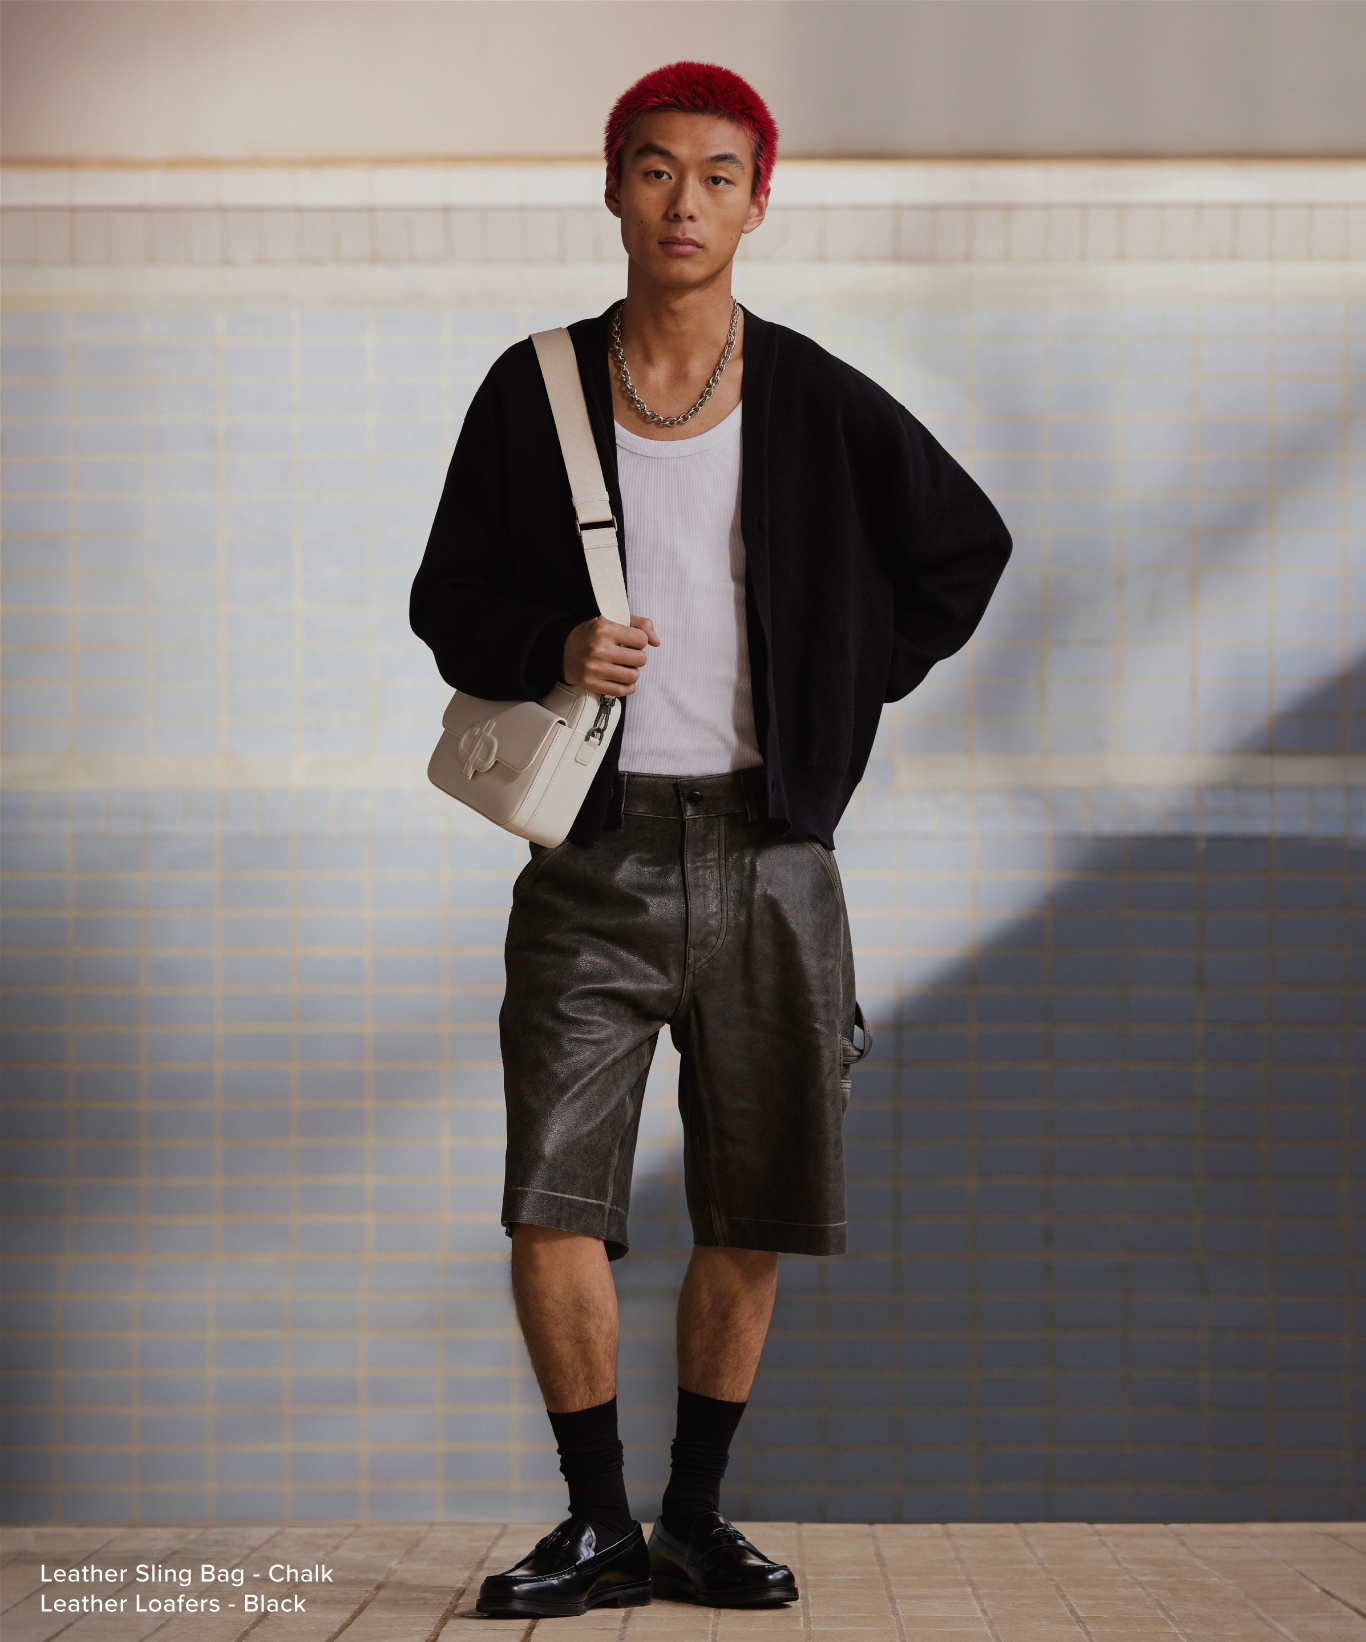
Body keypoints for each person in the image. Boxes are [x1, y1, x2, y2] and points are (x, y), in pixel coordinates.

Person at [410, 60, 1011, 1618]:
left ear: (758, 202)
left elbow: (965, 546)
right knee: (550, 1197)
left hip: (774, 856)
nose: (685, 200)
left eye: (719, 174)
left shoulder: (813, 394)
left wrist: (836, 685)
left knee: (753, 1203)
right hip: (589, 861)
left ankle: (691, 1517)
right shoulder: (534, 386)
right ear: (613, 187)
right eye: (656, 168)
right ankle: (594, 1519)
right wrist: (554, 641)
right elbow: (441, 600)